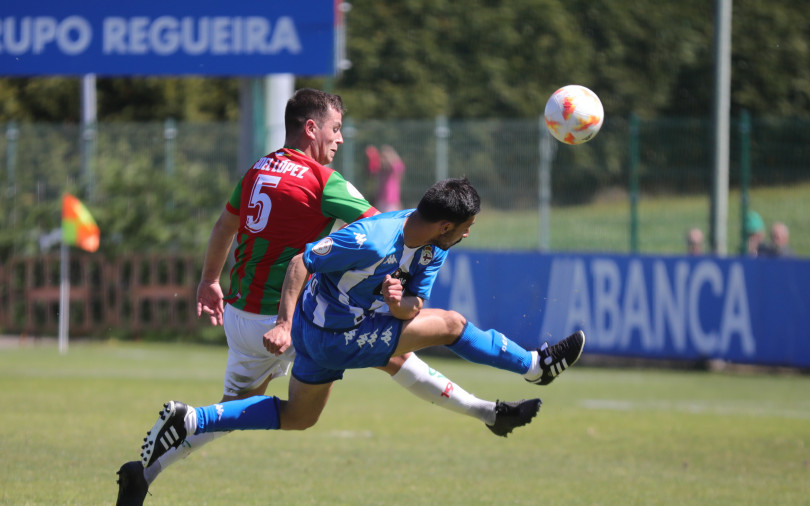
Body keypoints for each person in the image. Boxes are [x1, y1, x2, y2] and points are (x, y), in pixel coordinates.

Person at [115, 91, 528, 506]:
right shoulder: (323, 180)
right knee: (387, 351)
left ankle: (146, 470)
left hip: (241, 315)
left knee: (238, 410)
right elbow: (382, 229)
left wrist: (209, 279)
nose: (340, 140)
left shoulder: (257, 169)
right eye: (335, 129)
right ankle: (486, 412)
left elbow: (226, 225)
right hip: (294, 317)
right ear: (310, 128)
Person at [138, 178, 586, 481]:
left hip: (340, 333)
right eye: (466, 228)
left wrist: (399, 303)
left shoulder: (434, 246)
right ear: (447, 225)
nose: (467, 235)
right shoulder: (370, 237)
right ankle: (534, 365)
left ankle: (193, 418)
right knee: (452, 326)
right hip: (327, 334)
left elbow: (414, 306)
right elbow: (300, 262)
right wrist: (283, 323)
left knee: (298, 417)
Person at [366, 143, 405, 211]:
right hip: (381, 198)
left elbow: (396, 165)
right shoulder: (381, 169)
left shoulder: (395, 167)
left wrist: (389, 156)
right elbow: (372, 171)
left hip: (391, 199)